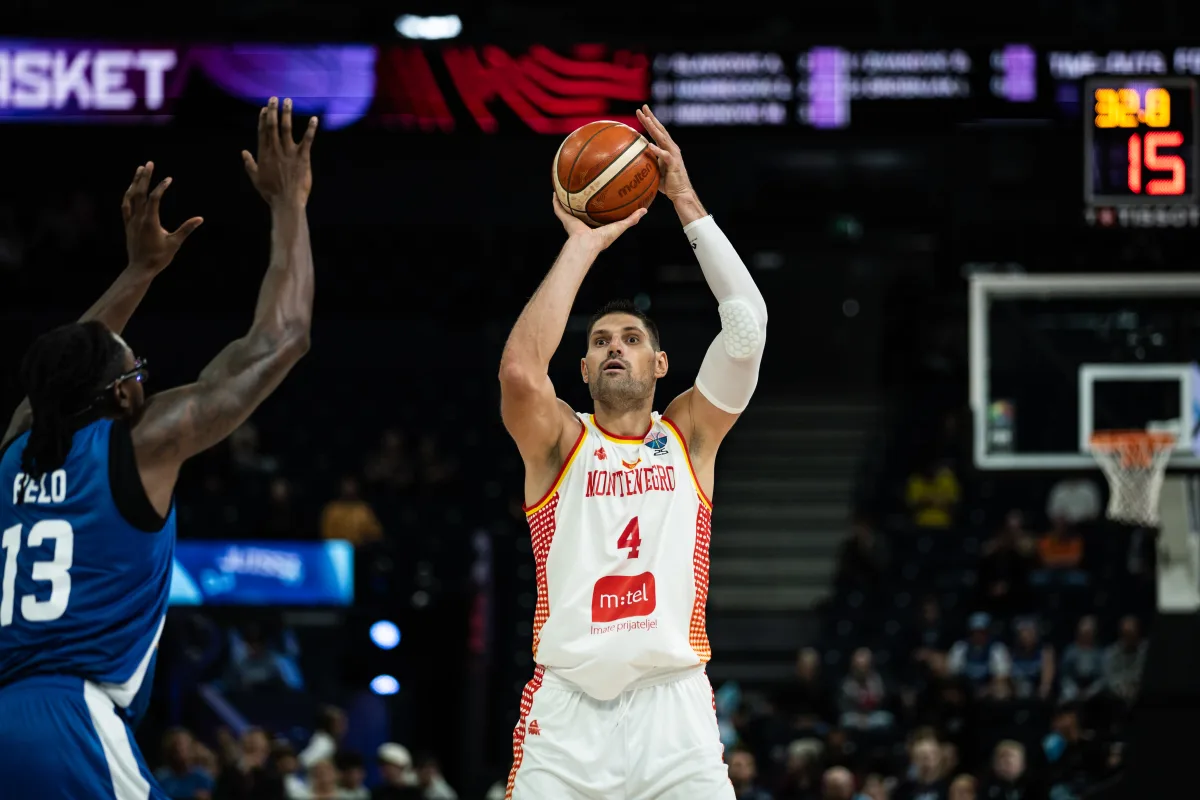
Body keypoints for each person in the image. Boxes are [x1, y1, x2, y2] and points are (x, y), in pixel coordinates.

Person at [0, 96, 317, 799]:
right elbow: (282, 339)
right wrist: (289, 204)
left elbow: (57, 371)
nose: (145, 378)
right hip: (74, 720)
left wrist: (138, 272)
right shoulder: (137, 444)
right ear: (119, 396)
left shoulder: (17, 445)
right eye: (136, 371)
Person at [498, 105, 767, 799]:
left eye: (631, 339)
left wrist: (685, 201)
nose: (614, 346)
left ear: (661, 364)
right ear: (584, 370)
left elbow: (746, 329)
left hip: (673, 711)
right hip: (566, 715)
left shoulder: (689, 435)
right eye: (599, 342)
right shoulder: (561, 442)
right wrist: (583, 245)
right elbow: (521, 374)